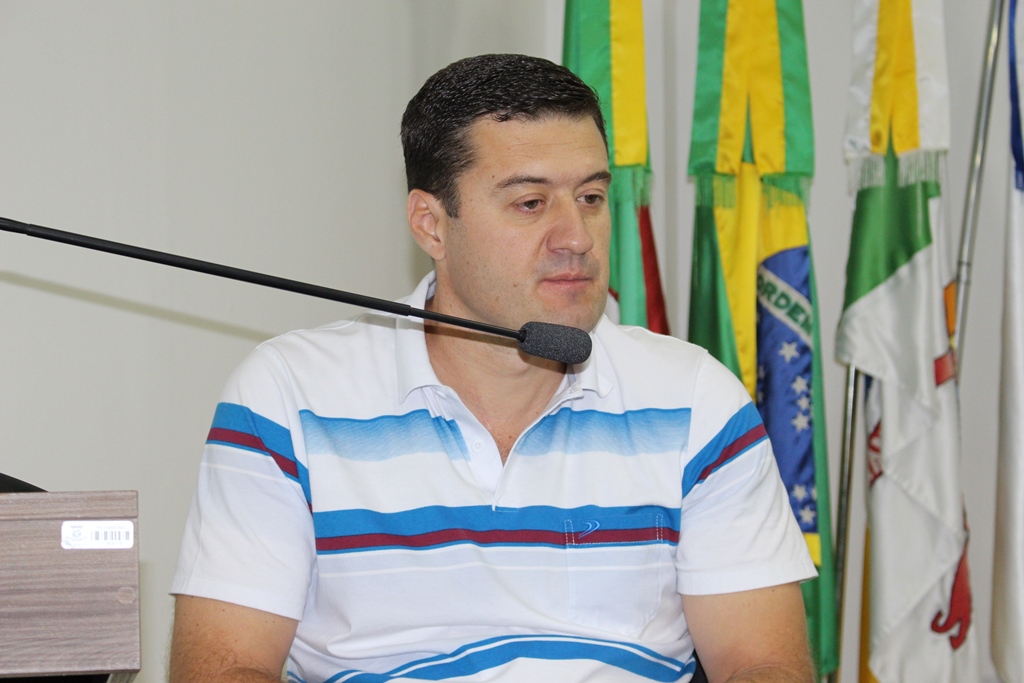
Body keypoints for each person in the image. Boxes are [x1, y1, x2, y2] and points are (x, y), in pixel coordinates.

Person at [169, 53, 816, 683]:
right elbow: (221, 667)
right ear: (431, 224)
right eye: (531, 203)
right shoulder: (289, 395)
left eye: (591, 197)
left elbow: (764, 664)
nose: (577, 237)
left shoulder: (694, 397)